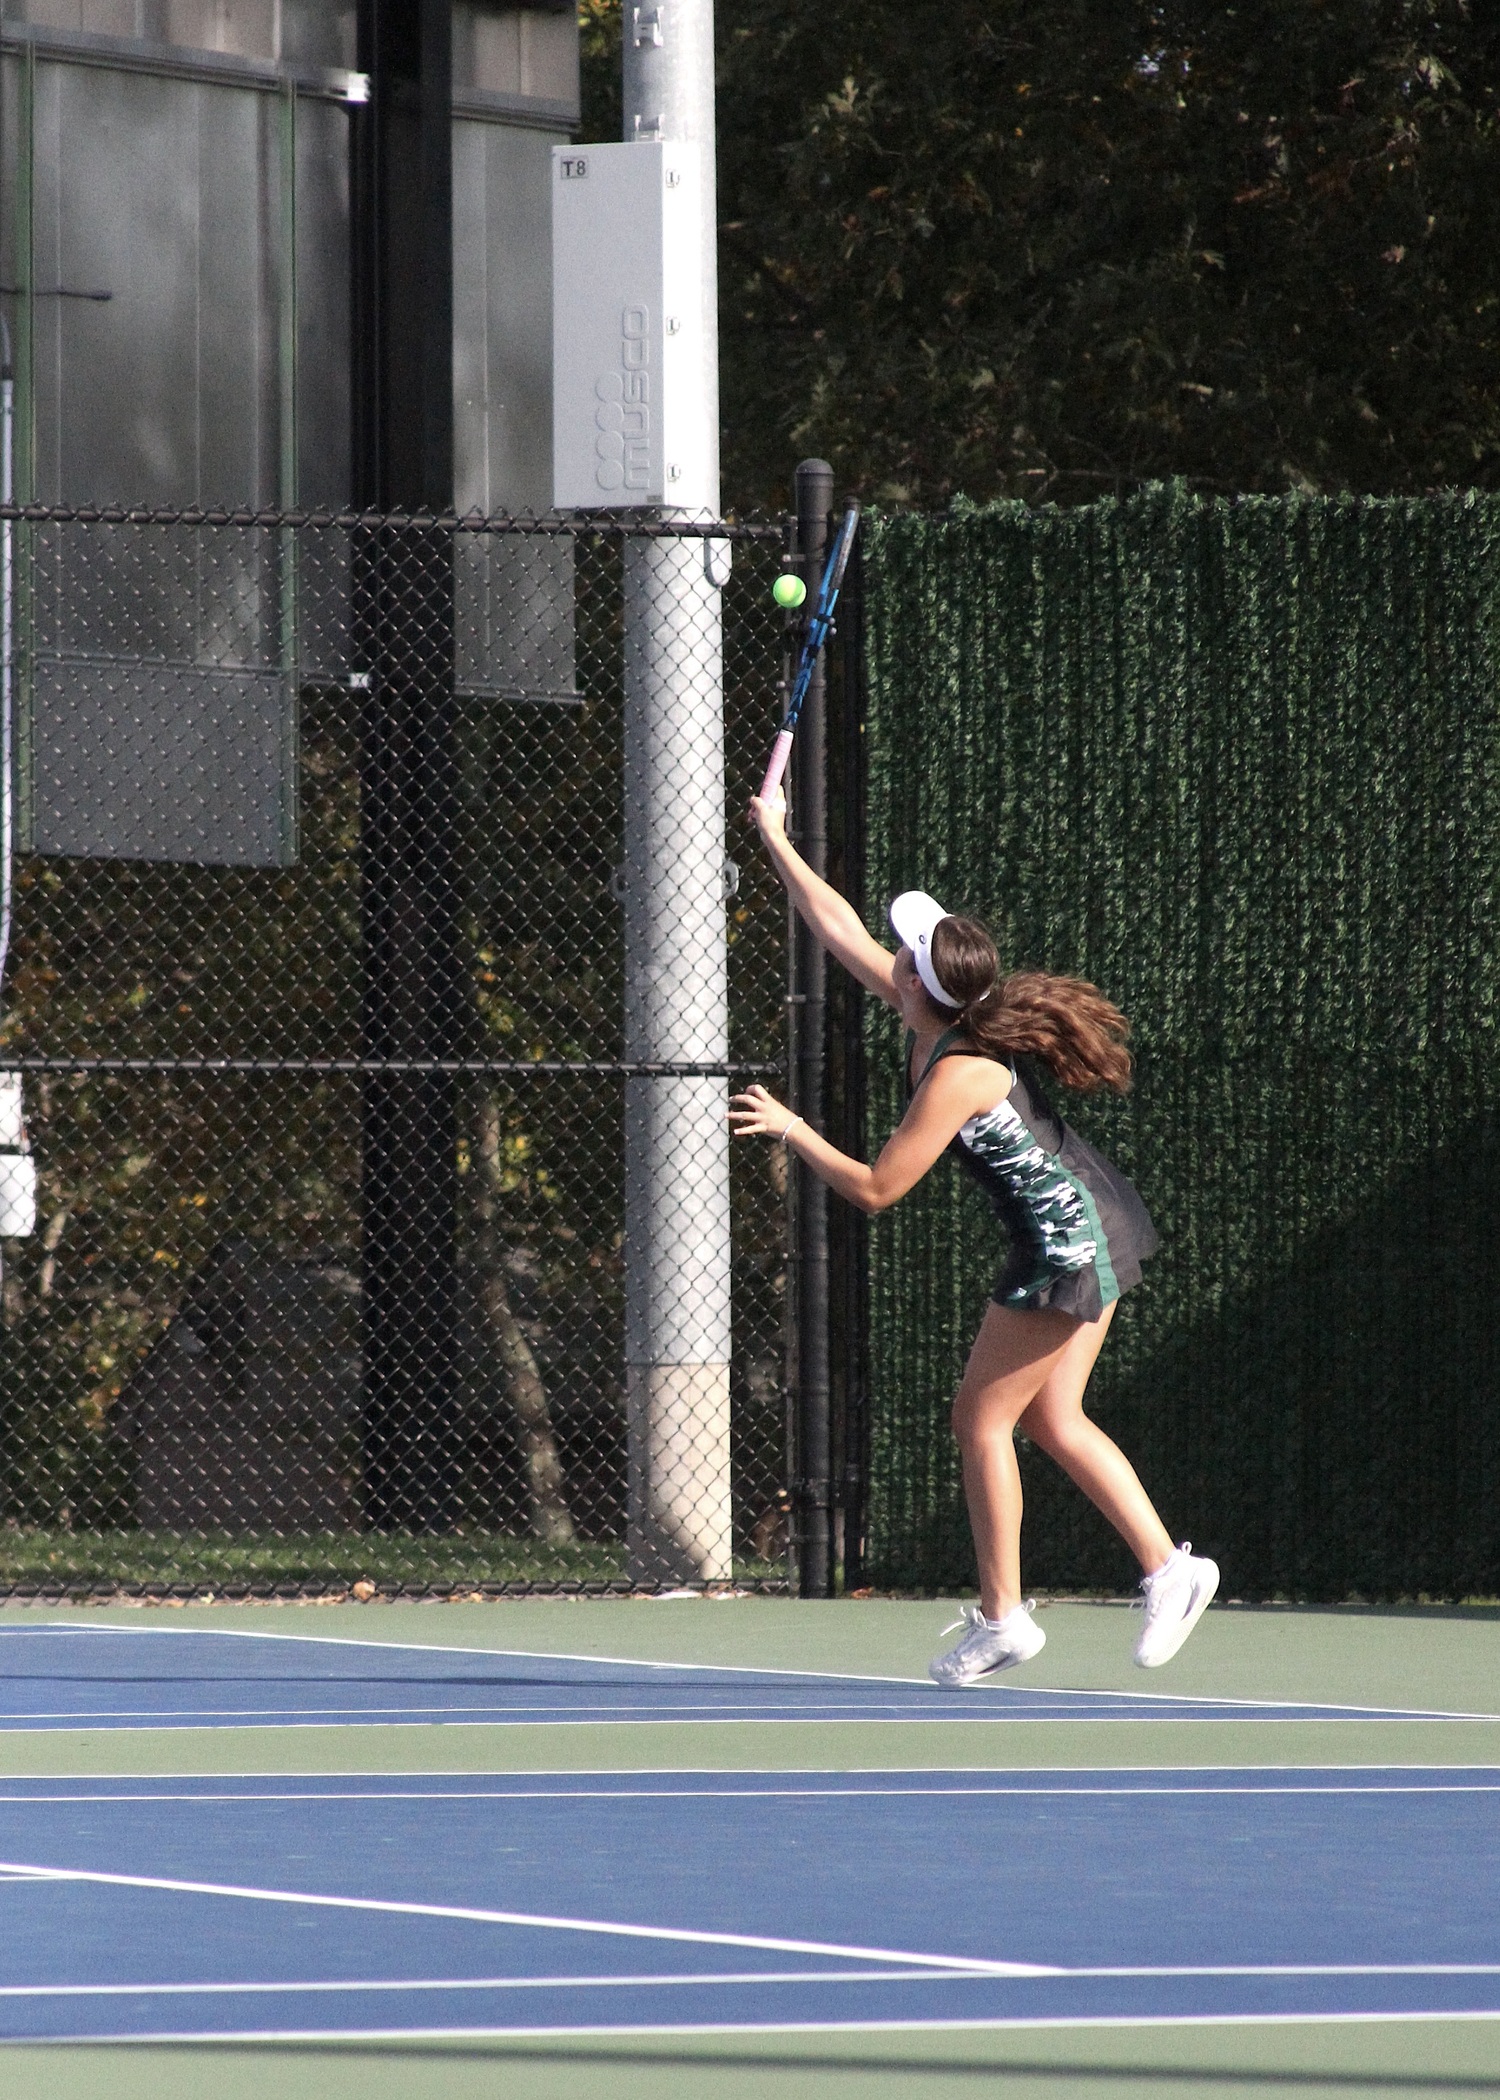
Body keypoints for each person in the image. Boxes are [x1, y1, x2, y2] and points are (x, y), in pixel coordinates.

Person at [730, 787, 1218, 1686]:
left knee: (980, 1420)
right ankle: (1169, 1568)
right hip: (1092, 1220)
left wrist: (793, 1129)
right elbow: (836, 925)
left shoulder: (959, 1070)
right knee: (1051, 1416)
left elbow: (877, 1189)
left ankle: (1005, 1619)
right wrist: (776, 838)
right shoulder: (929, 1011)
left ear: (919, 981)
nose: (891, 960)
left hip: (1070, 1240)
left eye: (902, 954)